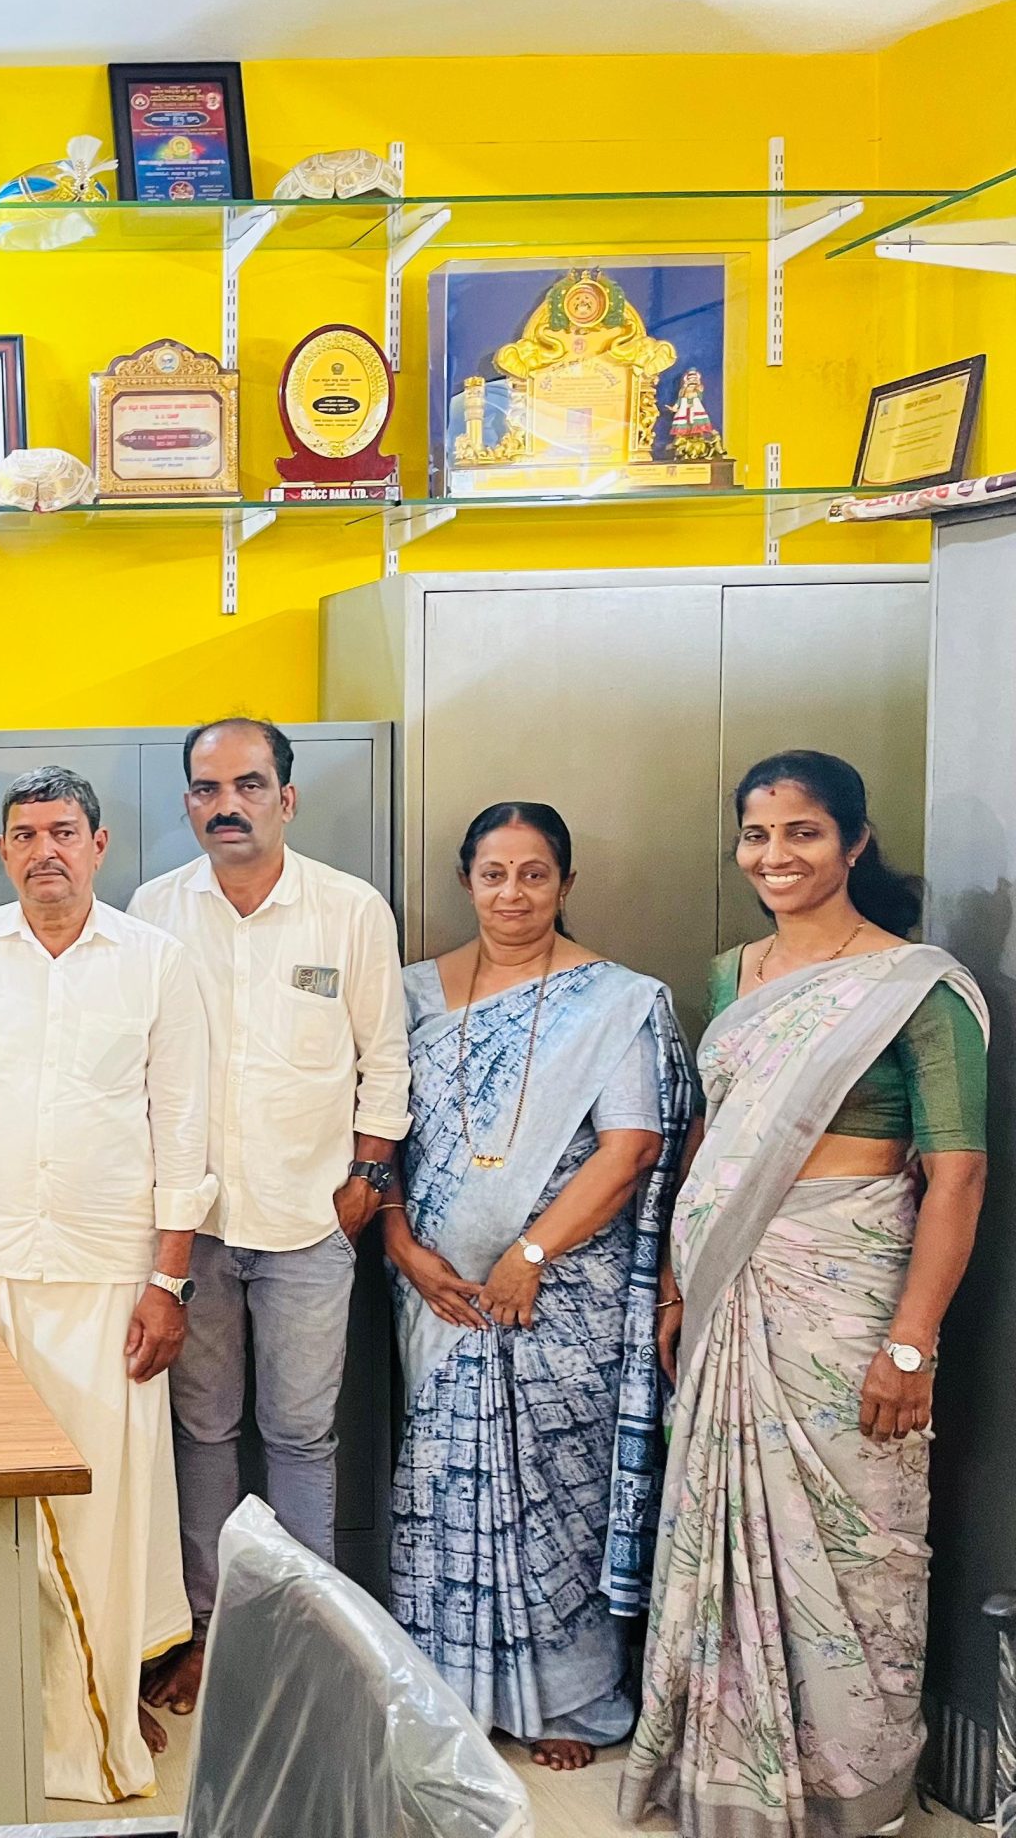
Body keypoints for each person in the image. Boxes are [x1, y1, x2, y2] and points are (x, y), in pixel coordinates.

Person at [621, 750, 989, 1838]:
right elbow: (711, 1136)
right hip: (725, 1282)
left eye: (802, 833)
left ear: (854, 842)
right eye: (757, 834)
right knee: (720, 1518)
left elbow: (958, 1175)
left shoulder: (914, 986)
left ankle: (847, 1788)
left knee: (858, 1538)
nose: (774, 855)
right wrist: (677, 1284)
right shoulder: (733, 974)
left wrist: (911, 1344)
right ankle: (726, 1772)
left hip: (847, 1294)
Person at [0, 765, 212, 1801]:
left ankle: (97, 1711)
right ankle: (16, 1713)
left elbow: (183, 1130)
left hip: (111, 1280)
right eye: (25, 834)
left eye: (62, 831)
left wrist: (169, 1282)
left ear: (99, 845)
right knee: (1, 1507)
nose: (44, 850)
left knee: (103, 1510)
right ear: (3, 852)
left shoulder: (154, 962)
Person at [383, 802, 691, 1771]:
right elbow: (377, 1134)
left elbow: (630, 1147)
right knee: (442, 1487)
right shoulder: (410, 994)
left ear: (564, 883)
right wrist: (400, 1244)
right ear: (465, 881)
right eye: (493, 874)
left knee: (561, 1490)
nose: (511, 894)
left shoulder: (616, 1001)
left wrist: (530, 1254)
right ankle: (451, 1697)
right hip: (438, 1296)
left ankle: (571, 1700)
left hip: (564, 1293)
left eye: (533, 874)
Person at [128, 716, 410, 1717]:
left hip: (309, 1222)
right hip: (192, 1230)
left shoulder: (348, 909)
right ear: (187, 803)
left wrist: (364, 1182)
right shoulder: (156, 910)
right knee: (202, 1431)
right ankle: (210, 1633)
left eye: (248, 785)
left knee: (300, 1437)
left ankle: (307, 1641)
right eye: (208, 789)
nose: (228, 805)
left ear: (285, 798)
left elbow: (385, 1060)